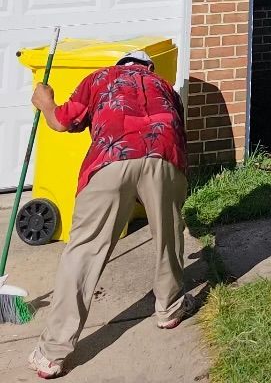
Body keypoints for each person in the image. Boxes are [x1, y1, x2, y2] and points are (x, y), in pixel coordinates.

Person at [27, 50, 192, 380]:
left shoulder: (99, 78)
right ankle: (170, 308)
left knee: (85, 250)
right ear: (149, 68)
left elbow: (63, 121)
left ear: (120, 66)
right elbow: (178, 127)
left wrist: (44, 101)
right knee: (168, 235)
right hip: (163, 155)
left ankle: (53, 353)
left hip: (112, 157)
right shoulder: (165, 86)